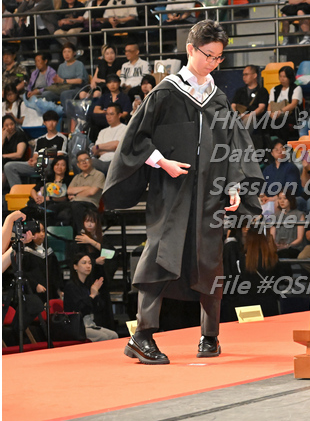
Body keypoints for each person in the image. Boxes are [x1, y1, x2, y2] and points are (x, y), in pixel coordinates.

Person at [103, 20, 263, 364]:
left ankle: (210, 335)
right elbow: (135, 138)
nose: (213, 63)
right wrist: (162, 162)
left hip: (210, 194)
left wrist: (234, 184)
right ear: (191, 49)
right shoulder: (166, 93)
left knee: (210, 261)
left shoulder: (219, 99)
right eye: (208, 55)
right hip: (172, 191)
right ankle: (141, 336)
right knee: (161, 255)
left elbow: (233, 145)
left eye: (219, 58)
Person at [3, 110, 66, 188]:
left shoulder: (61, 138)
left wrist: (39, 161)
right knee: (9, 166)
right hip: (37, 165)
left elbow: (58, 157)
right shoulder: (39, 140)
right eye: (48, 121)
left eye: (53, 121)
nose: (51, 123)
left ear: (57, 122)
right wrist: (32, 160)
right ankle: (18, 191)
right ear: (44, 123)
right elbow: (35, 155)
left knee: (47, 162)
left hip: (51, 165)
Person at [63, 253, 119, 341]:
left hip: (90, 323)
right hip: (77, 325)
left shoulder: (87, 285)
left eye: (90, 263)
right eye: (84, 263)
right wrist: (92, 295)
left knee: (114, 335)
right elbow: (80, 309)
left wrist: (96, 294)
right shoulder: (71, 286)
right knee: (104, 337)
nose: (88, 266)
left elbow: (98, 308)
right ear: (75, 266)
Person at [22, 153, 72, 225]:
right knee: (26, 210)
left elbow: (65, 198)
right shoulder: (47, 178)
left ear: (66, 167)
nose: (59, 167)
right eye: (57, 164)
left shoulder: (69, 180)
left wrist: (47, 198)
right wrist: (36, 198)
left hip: (56, 205)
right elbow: (33, 190)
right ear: (53, 166)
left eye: (63, 165)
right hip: (41, 203)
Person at [22, 222, 63, 300]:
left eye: (43, 231)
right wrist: (35, 285)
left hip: (50, 292)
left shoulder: (49, 252)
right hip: (34, 294)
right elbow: (25, 273)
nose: (42, 234)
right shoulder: (26, 253)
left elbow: (55, 273)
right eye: (38, 231)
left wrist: (58, 289)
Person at [231, 64, 269, 146]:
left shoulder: (262, 91)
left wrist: (248, 115)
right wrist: (235, 115)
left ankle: (240, 142)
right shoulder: (240, 91)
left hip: (255, 118)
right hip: (239, 116)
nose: (244, 77)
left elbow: (261, 108)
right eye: (243, 75)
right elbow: (233, 105)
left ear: (255, 75)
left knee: (249, 120)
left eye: (246, 74)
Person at [67, 151, 105, 230]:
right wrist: (87, 187)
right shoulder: (77, 177)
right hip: (75, 203)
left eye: (86, 159)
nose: (84, 162)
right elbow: (69, 190)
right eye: (81, 161)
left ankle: (81, 234)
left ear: (91, 161)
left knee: (76, 208)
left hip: (90, 204)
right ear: (78, 164)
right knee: (59, 210)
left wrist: (76, 194)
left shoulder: (99, 175)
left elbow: (92, 192)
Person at [43, 43, 87, 109]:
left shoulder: (79, 64)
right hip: (63, 88)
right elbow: (59, 80)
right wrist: (56, 81)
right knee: (46, 94)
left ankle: (68, 113)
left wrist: (64, 81)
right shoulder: (61, 66)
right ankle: (54, 113)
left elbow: (79, 80)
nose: (66, 54)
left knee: (65, 94)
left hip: (76, 88)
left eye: (69, 51)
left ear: (74, 53)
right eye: (64, 52)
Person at [266, 65, 302, 143]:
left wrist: (280, 112)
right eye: (280, 76)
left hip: (290, 115)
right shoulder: (274, 89)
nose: (282, 79)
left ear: (290, 77)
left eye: (284, 77)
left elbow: (293, 104)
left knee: (281, 121)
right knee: (264, 121)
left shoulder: (296, 88)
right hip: (275, 114)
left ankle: (283, 143)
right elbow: (270, 104)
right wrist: (270, 114)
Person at [90, 104, 127, 175]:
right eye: (107, 114)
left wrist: (100, 147)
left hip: (116, 161)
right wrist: (110, 147)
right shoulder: (102, 132)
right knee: (86, 162)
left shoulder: (125, 129)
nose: (108, 117)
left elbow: (117, 145)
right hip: (101, 161)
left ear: (119, 115)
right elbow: (95, 150)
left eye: (111, 114)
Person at [268, 192, 306, 259]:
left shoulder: (299, 215)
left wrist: (287, 246)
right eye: (280, 198)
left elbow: (299, 239)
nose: (282, 201)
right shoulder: (275, 216)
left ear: (290, 200)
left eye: (285, 198)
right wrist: (275, 245)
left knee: (283, 255)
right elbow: (272, 237)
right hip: (277, 248)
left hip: (294, 248)